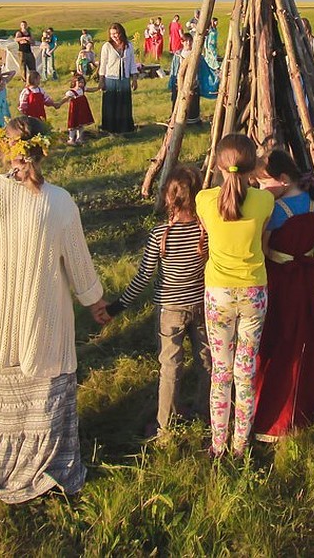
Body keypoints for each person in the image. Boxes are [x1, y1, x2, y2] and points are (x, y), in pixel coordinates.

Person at [0, 118, 108, 504]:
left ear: (3, 148)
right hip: (42, 322)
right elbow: (79, 264)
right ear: (44, 150)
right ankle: (43, 465)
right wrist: (95, 302)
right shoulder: (58, 201)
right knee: (42, 393)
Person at [105, 164, 211, 435]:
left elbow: (142, 279)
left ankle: (165, 424)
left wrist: (116, 307)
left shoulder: (158, 236)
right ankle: (206, 410)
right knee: (206, 360)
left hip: (169, 311)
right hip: (201, 306)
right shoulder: (206, 232)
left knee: (170, 366)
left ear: (167, 197)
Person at [196, 133, 274, 458]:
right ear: (253, 166)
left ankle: (218, 445)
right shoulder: (264, 202)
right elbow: (265, 234)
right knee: (245, 372)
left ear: (217, 165)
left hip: (218, 294)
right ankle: (241, 444)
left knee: (221, 371)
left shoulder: (204, 200)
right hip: (254, 291)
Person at [251, 149, 314, 440]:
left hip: (279, 278)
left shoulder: (272, 211)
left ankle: (270, 414)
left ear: (283, 180)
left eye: (264, 183)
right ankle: (302, 406)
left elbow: (262, 251)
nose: (261, 189)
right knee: (304, 336)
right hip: (308, 278)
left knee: (277, 338)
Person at [99, 22, 139, 134]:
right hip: (110, 78)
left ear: (121, 33)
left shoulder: (129, 46)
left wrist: (134, 79)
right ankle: (109, 128)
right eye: (112, 34)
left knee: (124, 103)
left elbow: (132, 63)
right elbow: (103, 64)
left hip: (124, 79)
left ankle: (124, 127)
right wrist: (101, 80)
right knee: (110, 103)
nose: (114, 36)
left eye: (116, 33)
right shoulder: (107, 46)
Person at [168, 32, 202, 124]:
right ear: (182, 42)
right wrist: (173, 82)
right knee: (178, 101)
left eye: (190, 41)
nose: (188, 43)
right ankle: (177, 120)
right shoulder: (178, 55)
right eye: (186, 41)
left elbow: (202, 68)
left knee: (193, 102)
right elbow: (174, 69)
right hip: (179, 82)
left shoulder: (196, 54)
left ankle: (192, 121)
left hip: (193, 82)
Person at [58, 73, 99, 145]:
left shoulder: (83, 89)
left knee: (81, 124)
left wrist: (98, 88)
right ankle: (71, 139)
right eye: (79, 82)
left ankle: (79, 138)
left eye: (82, 82)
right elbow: (65, 99)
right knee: (73, 124)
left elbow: (91, 89)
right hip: (75, 110)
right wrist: (59, 104)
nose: (81, 84)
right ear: (74, 82)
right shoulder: (71, 92)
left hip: (82, 109)